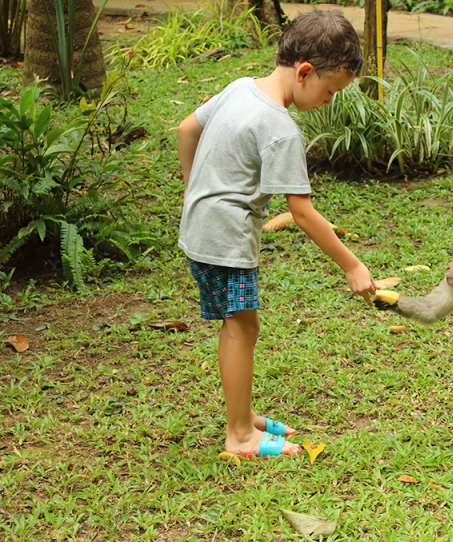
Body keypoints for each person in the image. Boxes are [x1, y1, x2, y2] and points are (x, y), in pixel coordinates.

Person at [177, 10, 378, 459]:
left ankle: (243, 418)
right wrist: (353, 265)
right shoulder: (280, 128)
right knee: (240, 327)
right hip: (224, 238)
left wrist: (194, 190)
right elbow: (302, 213)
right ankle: (239, 435)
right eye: (329, 91)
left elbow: (187, 129)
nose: (328, 101)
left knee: (241, 323)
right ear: (305, 72)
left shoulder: (240, 88)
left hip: (202, 227)